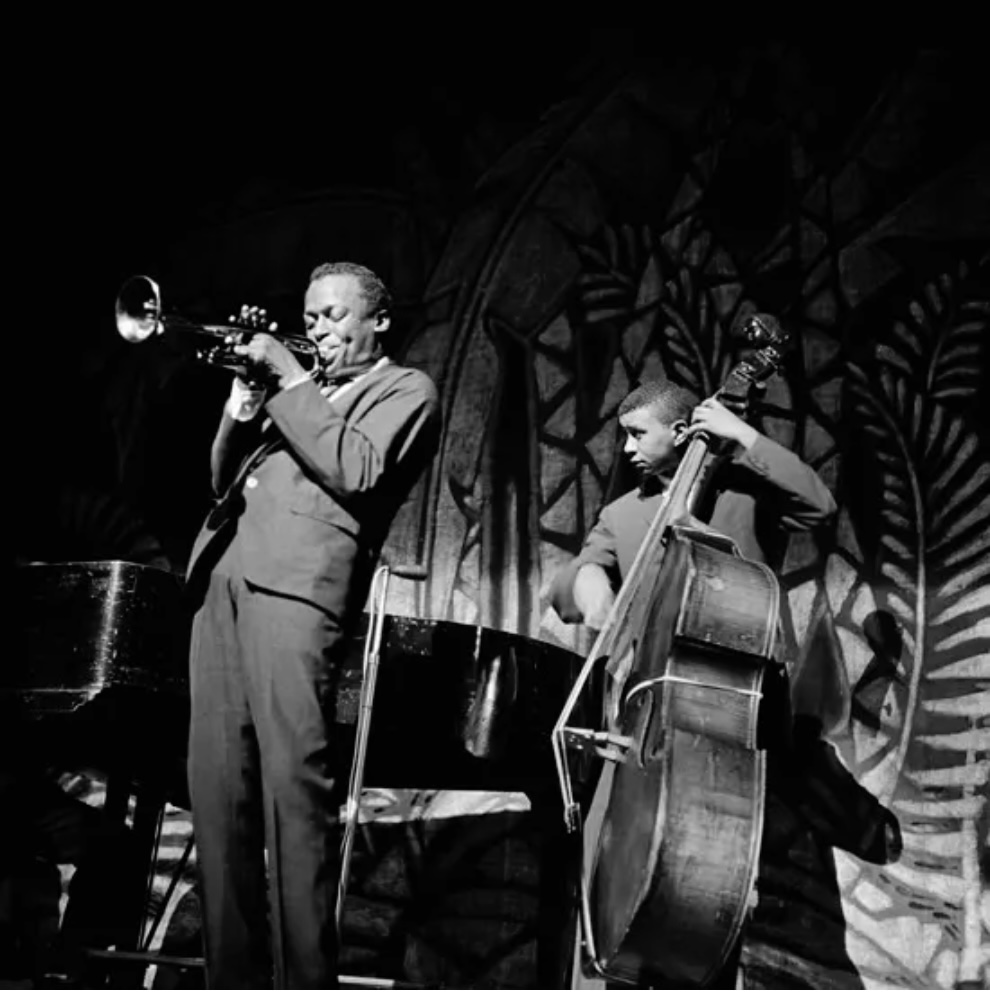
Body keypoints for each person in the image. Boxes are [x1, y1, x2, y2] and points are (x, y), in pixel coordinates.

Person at [184, 261, 441, 989]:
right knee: (217, 797)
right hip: (223, 581)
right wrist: (244, 400)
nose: (318, 329)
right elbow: (222, 479)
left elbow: (356, 469)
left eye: (333, 315)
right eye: (310, 317)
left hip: (297, 590)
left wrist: (289, 377)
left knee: (292, 793)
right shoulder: (301, 395)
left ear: (378, 320)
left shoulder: (405, 389)